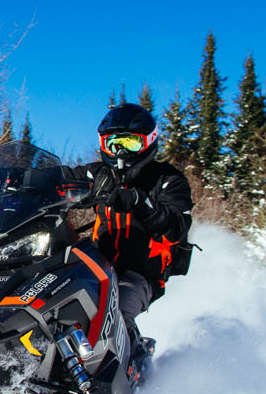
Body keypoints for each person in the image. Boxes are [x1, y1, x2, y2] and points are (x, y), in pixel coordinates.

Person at [65, 102, 194, 354]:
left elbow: (177, 225)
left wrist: (139, 202)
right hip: (95, 263)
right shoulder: (100, 174)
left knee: (112, 317)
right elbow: (58, 178)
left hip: (141, 273)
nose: (120, 152)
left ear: (149, 141)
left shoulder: (167, 180)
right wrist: (8, 178)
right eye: (112, 144)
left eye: (130, 143)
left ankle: (135, 359)